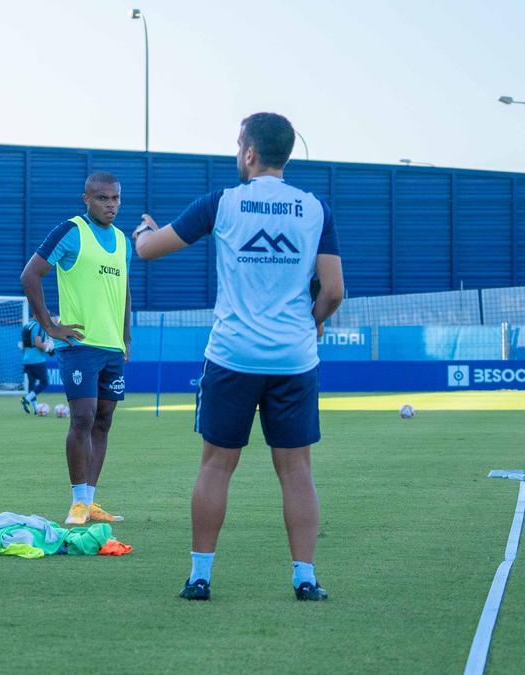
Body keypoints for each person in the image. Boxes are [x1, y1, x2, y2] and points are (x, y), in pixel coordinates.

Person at [131, 112, 343, 602]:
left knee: (215, 466)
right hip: (293, 359)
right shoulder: (314, 209)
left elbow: (149, 251)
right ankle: (305, 578)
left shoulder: (222, 202)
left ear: (249, 153)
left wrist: (144, 231)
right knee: (296, 470)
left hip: (232, 356)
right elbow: (333, 290)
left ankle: (200, 576)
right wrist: (309, 321)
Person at [20, 173, 132, 527]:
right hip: (80, 346)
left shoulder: (122, 240)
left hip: (112, 347)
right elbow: (30, 275)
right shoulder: (71, 231)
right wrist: (50, 327)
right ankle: (77, 503)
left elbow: (125, 293)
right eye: (102, 198)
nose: (110, 204)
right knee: (82, 417)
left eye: (115, 198)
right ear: (86, 198)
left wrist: (126, 338)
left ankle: (91, 500)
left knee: (104, 421)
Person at [19, 314, 53, 414]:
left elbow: (23, 345)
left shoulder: (26, 326)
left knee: (32, 383)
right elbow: (38, 344)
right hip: (37, 359)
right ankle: (27, 399)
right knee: (44, 382)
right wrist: (47, 348)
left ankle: (35, 409)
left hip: (26, 359)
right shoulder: (38, 326)